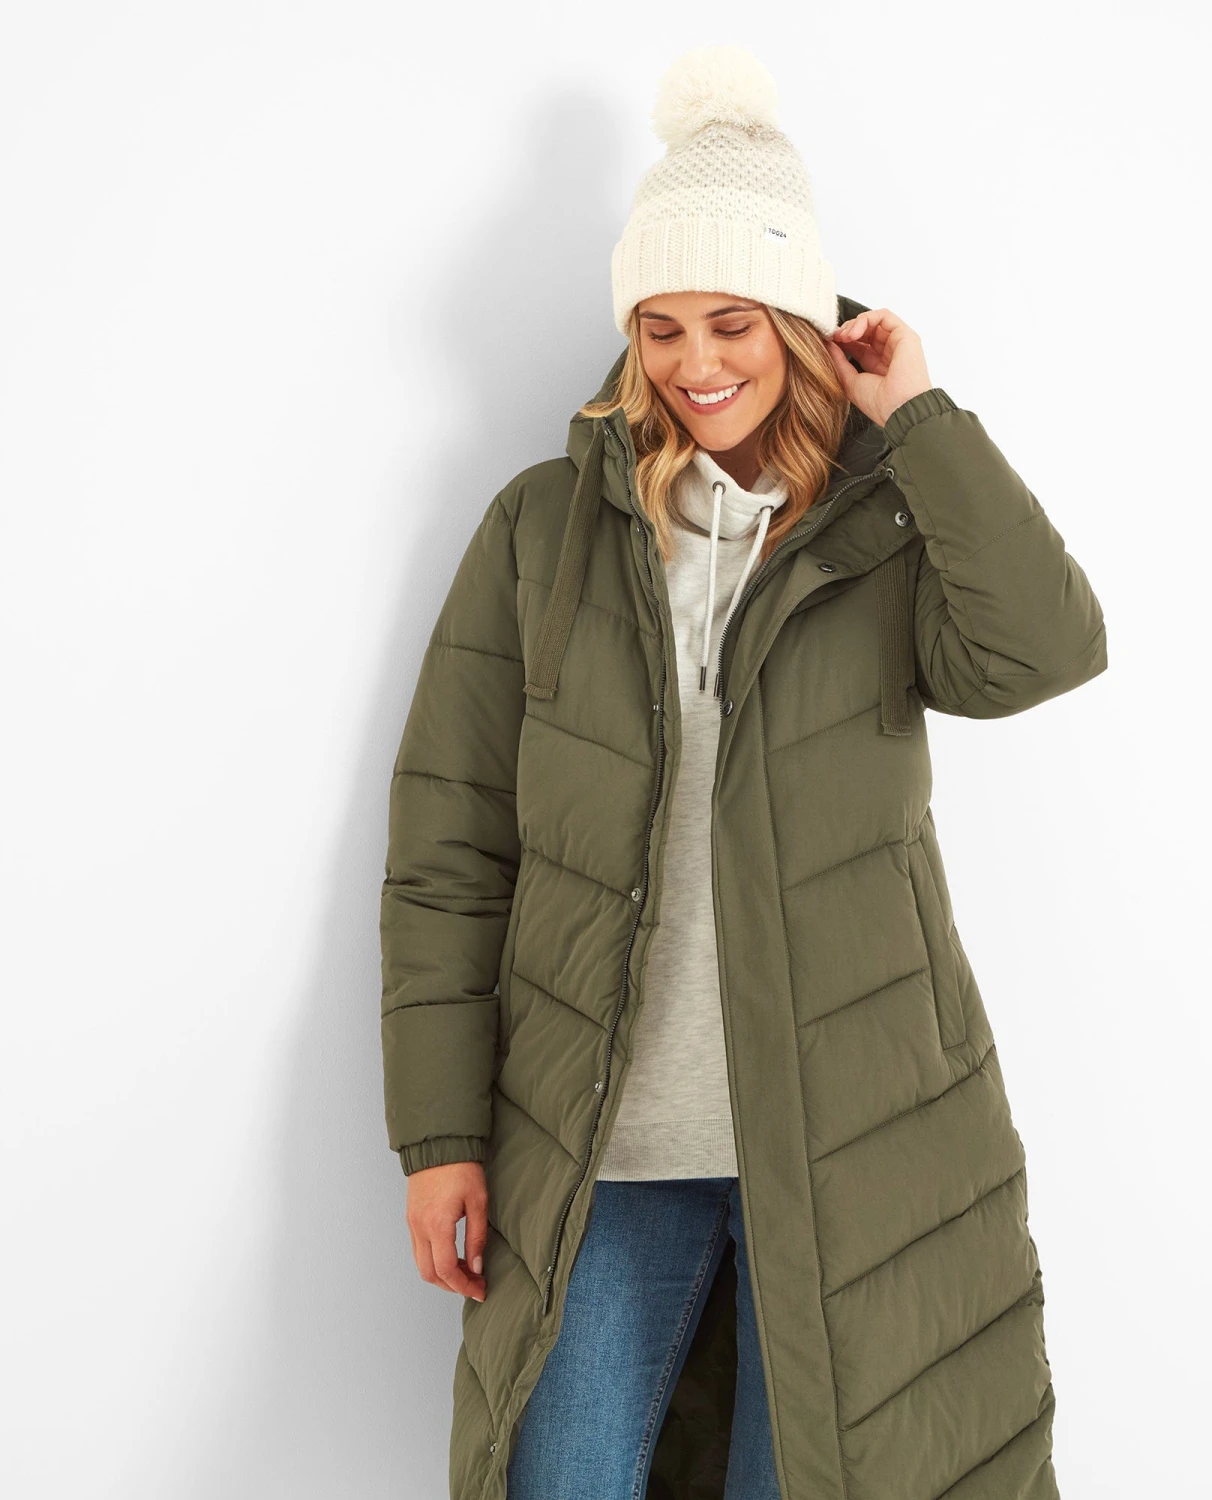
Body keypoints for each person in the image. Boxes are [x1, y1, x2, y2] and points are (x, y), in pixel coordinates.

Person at [380, 44, 1107, 1500]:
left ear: (797, 322)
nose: (695, 364)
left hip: (843, 1144)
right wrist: (441, 1136)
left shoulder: (881, 531)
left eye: (732, 322)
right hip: (598, 1153)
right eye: (659, 328)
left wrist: (920, 419)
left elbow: (1044, 651)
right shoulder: (542, 534)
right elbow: (451, 850)